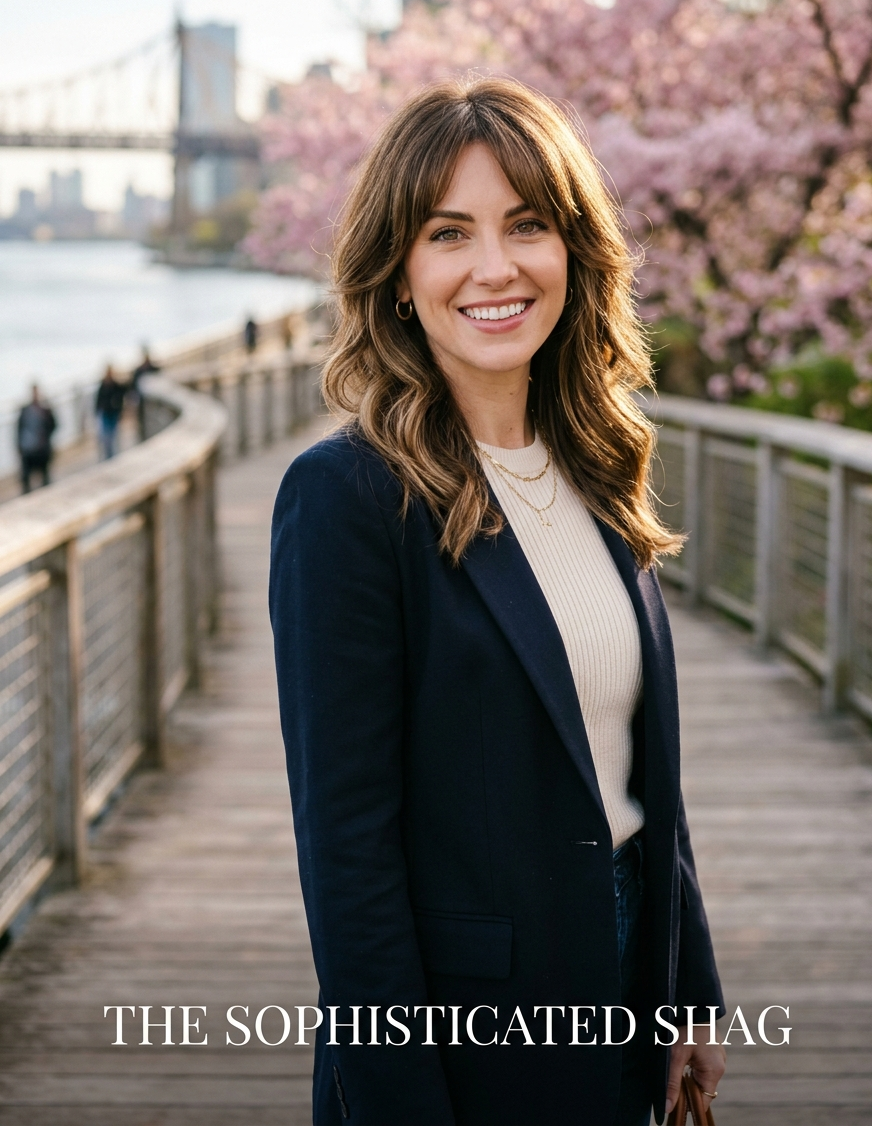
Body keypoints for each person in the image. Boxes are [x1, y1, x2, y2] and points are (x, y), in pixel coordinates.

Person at [269, 78, 726, 1126]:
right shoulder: (346, 499)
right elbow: (346, 852)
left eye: (526, 225)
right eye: (448, 233)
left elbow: (633, 768)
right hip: (465, 1025)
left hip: (626, 977)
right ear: (397, 274)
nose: (494, 267)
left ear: (573, 250)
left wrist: (687, 988)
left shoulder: (594, 465)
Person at [16, 384, 56, 494]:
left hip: (42, 449)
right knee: (26, 478)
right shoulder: (25, 410)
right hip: (29, 450)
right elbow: (19, 429)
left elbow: (53, 425)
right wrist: (19, 446)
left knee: (45, 477)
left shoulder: (45, 409)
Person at [95, 365, 127, 460]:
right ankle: (109, 455)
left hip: (113, 413)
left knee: (114, 434)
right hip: (106, 413)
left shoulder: (115, 385)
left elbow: (124, 390)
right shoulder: (103, 385)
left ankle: (113, 455)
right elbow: (98, 400)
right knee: (106, 435)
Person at [131, 346, 160, 441]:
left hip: (154, 405)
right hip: (142, 404)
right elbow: (133, 388)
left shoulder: (154, 369)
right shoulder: (138, 371)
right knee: (142, 424)